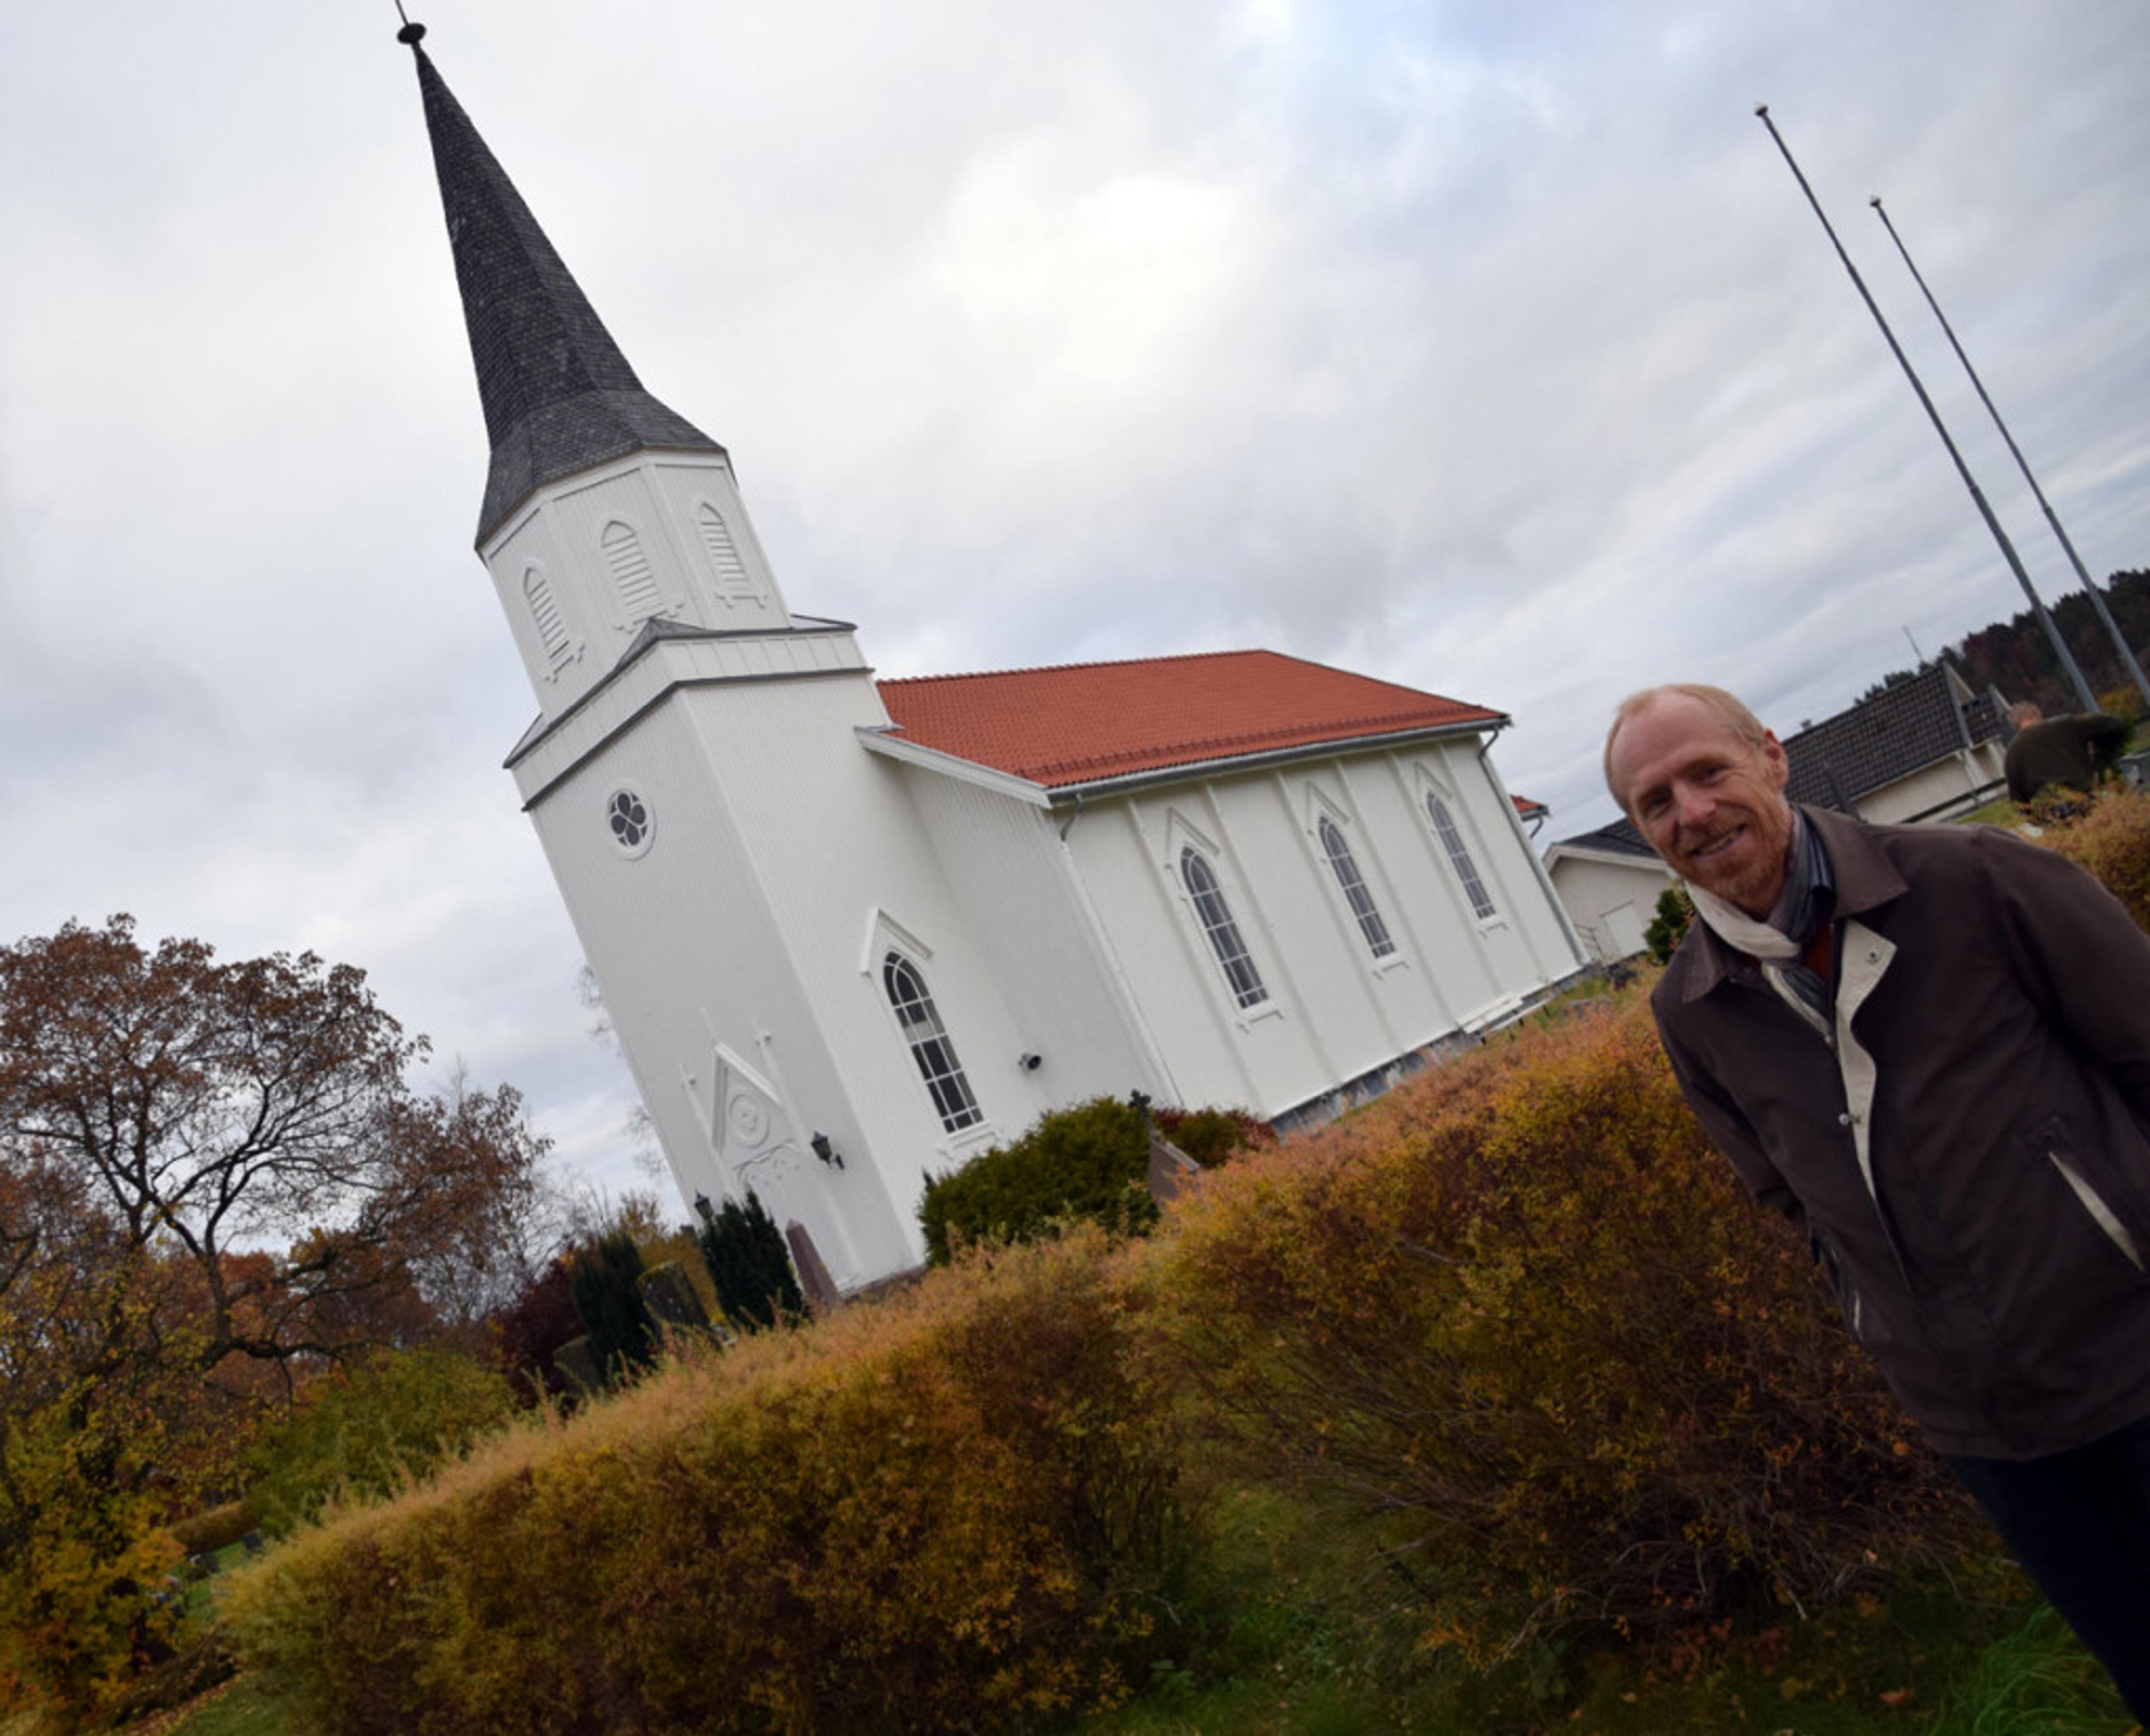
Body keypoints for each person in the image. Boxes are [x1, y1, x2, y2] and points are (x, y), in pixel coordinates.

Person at [1604, 682, 2150, 1716]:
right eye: (1655, 801)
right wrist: (1892, 1321)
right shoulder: (1692, 1010)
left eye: (1708, 772)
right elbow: (1791, 1199)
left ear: (1771, 757)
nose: (1692, 812)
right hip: (1986, 1428)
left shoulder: (1978, 880)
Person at [2003, 699, 2130, 807]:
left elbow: (2018, 802)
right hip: (2087, 797)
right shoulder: (2063, 725)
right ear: (2037, 715)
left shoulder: (2012, 754)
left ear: (2015, 727)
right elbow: (2113, 724)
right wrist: (2102, 758)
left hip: (2053, 812)